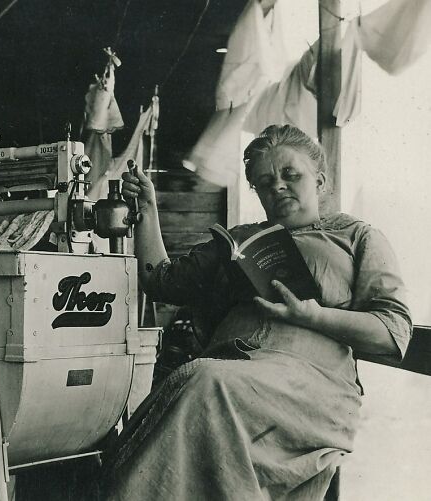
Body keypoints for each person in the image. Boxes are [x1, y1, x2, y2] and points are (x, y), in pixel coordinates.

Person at [102, 124, 412, 500]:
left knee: (204, 381)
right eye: (265, 182)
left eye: (290, 175)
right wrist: (148, 208)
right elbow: (162, 281)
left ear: (321, 180)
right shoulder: (240, 241)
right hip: (229, 371)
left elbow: (393, 333)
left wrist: (313, 316)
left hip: (309, 387)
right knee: (189, 387)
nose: (277, 186)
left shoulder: (356, 237)